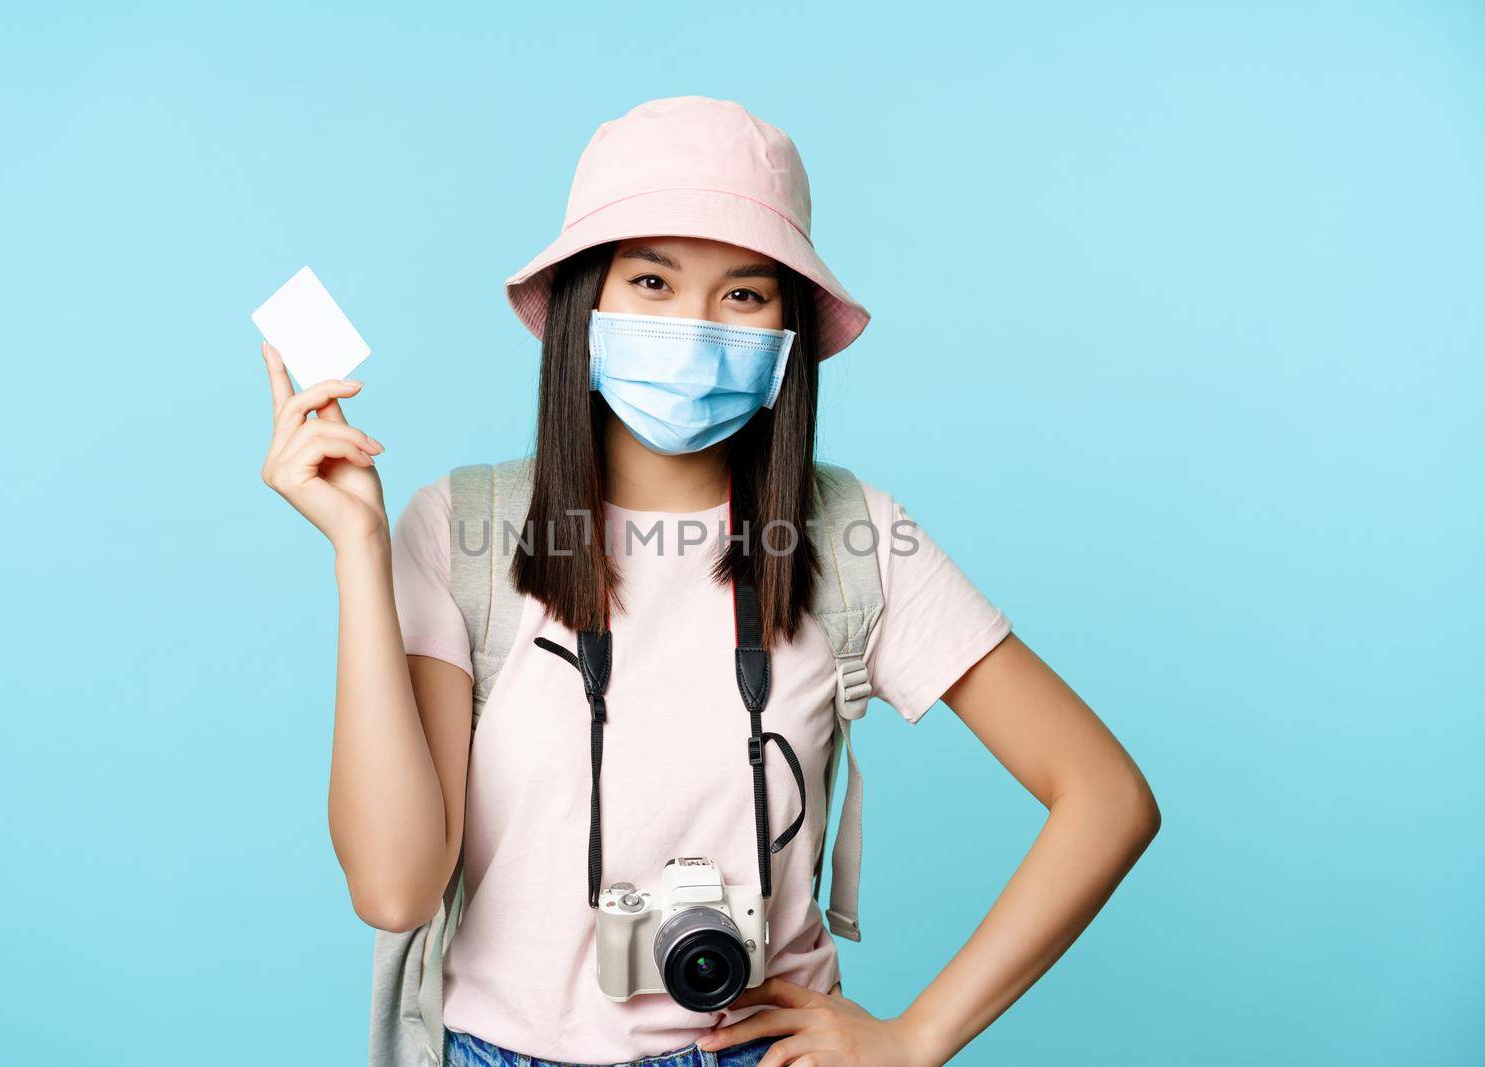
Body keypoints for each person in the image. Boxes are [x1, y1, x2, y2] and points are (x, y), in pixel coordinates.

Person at [259, 96, 1160, 1067]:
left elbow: (1106, 794)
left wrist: (916, 1033)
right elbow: (394, 890)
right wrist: (358, 546)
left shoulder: (853, 537)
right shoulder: (462, 531)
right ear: (583, 305)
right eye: (650, 280)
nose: (692, 330)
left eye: (742, 294)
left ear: (788, 333)